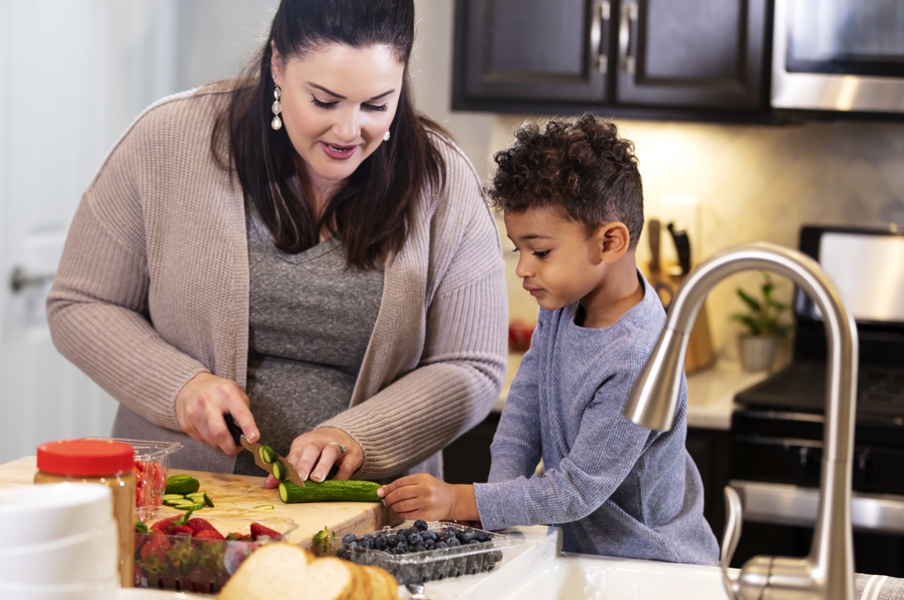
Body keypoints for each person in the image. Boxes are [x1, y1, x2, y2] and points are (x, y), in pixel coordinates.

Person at [45, 0, 506, 484]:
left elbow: (471, 365)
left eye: (376, 105)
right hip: (184, 511)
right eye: (324, 101)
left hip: (369, 518)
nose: (349, 131)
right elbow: (81, 302)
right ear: (278, 64)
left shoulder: (444, 180)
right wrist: (181, 385)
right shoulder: (167, 140)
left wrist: (359, 437)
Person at [378, 114, 720, 565]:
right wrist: (496, 503)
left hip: (651, 566)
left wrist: (466, 501)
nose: (522, 267)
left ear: (610, 242)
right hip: (585, 557)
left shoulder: (638, 355)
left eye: (539, 251)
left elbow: (577, 491)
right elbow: (525, 409)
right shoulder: (562, 306)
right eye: (519, 249)